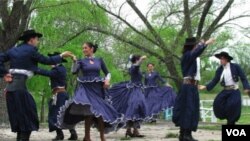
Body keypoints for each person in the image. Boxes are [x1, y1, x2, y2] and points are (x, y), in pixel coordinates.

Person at [0, 29, 75, 141]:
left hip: (11, 89)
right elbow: (47, 60)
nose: (38, 41)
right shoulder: (31, 51)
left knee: (20, 119)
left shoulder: (13, 50)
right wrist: (61, 55)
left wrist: (4, 73)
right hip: (19, 89)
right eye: (37, 39)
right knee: (28, 117)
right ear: (31, 40)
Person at [56, 42, 123, 141]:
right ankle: (87, 137)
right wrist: (74, 61)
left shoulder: (99, 60)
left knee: (99, 112)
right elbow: (74, 71)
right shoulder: (81, 61)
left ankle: (101, 137)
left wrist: (107, 80)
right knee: (88, 112)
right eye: (83, 48)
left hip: (97, 89)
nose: (83, 50)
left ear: (91, 49)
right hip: (86, 89)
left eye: (85, 48)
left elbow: (107, 72)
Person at [172, 37, 215, 141]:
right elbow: (195, 53)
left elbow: (195, 54)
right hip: (188, 87)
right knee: (189, 110)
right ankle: (185, 135)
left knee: (189, 109)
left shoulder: (190, 56)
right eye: (195, 45)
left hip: (191, 86)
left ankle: (184, 135)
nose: (196, 46)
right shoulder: (187, 55)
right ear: (192, 46)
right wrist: (205, 43)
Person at [35, 52, 78, 141]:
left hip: (60, 95)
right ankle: (72, 134)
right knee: (64, 114)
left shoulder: (58, 69)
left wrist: (35, 69)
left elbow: (47, 73)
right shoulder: (60, 69)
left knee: (55, 115)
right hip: (60, 95)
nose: (51, 61)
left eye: (52, 59)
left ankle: (61, 135)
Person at [199, 51, 250, 125]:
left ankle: (231, 123)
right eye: (220, 59)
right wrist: (206, 86)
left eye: (222, 59)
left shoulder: (235, 66)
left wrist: (246, 87)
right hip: (225, 90)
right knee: (217, 103)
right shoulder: (220, 69)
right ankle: (226, 117)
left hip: (234, 90)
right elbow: (215, 80)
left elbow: (243, 77)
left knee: (232, 106)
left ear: (226, 59)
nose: (220, 60)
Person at [109, 55, 148, 138]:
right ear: (136, 60)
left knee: (134, 109)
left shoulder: (135, 68)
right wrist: (141, 59)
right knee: (135, 107)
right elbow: (137, 66)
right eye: (138, 59)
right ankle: (132, 130)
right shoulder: (134, 67)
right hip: (134, 90)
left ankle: (131, 130)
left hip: (136, 89)